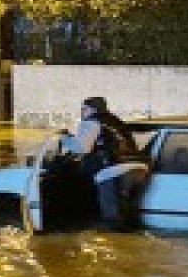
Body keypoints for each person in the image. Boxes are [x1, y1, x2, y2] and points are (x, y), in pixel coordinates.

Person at [59, 96, 149, 231]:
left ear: (93, 109)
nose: (82, 112)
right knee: (127, 212)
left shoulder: (92, 121)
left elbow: (81, 147)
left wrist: (65, 138)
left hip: (114, 171)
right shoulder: (116, 121)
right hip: (139, 169)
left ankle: (116, 243)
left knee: (112, 218)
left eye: (84, 109)